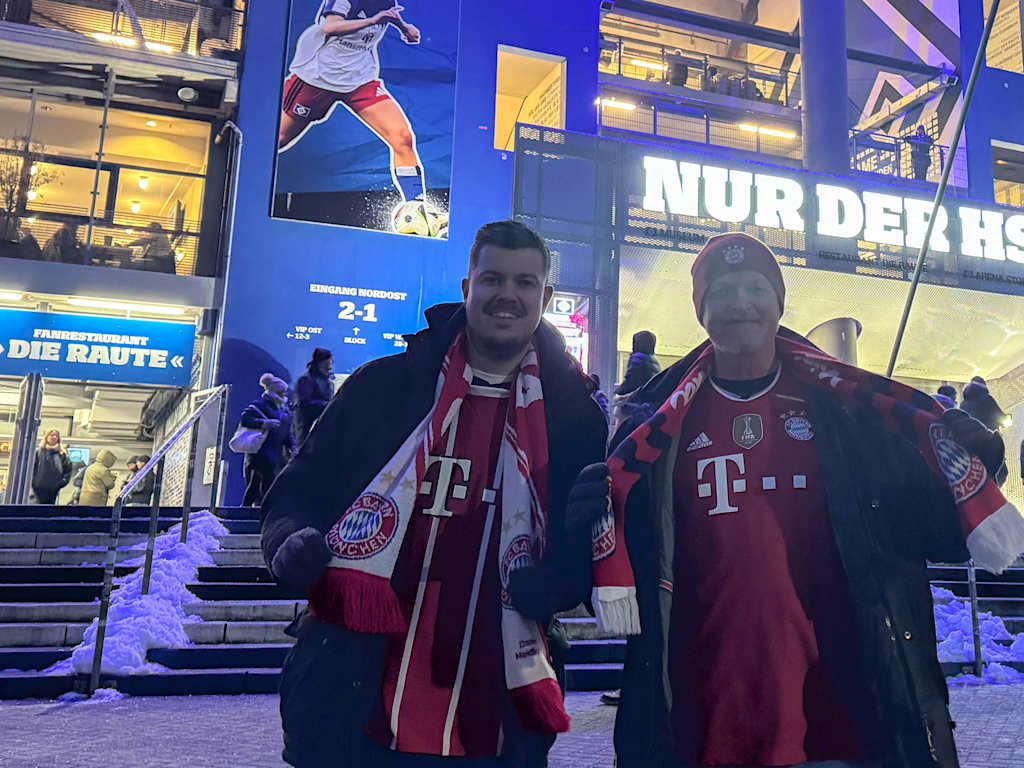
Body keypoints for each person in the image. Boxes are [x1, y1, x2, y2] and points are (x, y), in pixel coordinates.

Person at [576, 232, 1024, 768]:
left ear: (779, 303)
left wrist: (974, 465)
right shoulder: (653, 432)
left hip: (842, 722)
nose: (740, 303)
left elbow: (931, 534)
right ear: (701, 311)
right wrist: (582, 524)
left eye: (755, 287)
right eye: (722, 291)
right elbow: (621, 571)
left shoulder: (852, 413)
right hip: (703, 720)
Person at [260, 220, 608, 767]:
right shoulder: (385, 385)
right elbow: (299, 487)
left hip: (495, 710)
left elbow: (584, 536)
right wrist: (288, 539)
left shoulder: (574, 415)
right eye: (493, 278)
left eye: (525, 283)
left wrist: (562, 581)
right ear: (467, 288)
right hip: (357, 693)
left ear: (545, 296)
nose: (508, 296)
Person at [279, 1, 445, 229]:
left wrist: (404, 27)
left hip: (360, 79)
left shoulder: (388, 2)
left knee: (402, 137)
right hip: (317, 77)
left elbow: (386, 16)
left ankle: (416, 208)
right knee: (279, 139)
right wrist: (374, 20)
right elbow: (330, 27)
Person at [240, 373, 296, 507]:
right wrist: (264, 423)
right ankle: (255, 511)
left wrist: (292, 447)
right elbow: (245, 419)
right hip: (260, 454)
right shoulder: (259, 405)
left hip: (273, 455)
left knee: (260, 486)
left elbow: (287, 433)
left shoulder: (283, 410)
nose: (284, 395)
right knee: (260, 485)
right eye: (281, 392)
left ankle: (253, 509)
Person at [961, 375, 1010, 485]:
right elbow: (1000, 417)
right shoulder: (986, 399)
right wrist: (1006, 420)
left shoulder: (963, 403)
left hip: (970, 447)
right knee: (1001, 474)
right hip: (988, 441)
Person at [293, 347, 335, 443]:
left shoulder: (327, 380)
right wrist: (328, 405)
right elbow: (304, 403)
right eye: (330, 359)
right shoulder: (306, 380)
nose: (332, 362)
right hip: (307, 426)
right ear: (323, 361)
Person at [29, 429, 72, 504]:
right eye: (52, 435)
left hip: (53, 491)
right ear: (46, 437)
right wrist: (34, 483)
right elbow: (31, 469)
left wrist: (60, 484)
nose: (54, 437)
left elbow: (68, 471)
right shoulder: (38, 453)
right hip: (37, 490)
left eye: (56, 435)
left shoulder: (62, 454)